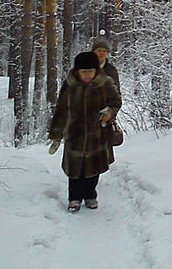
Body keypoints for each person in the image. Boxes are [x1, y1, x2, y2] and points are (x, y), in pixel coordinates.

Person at [48, 51, 121, 212]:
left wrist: (109, 112)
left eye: (90, 71)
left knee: (93, 169)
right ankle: (74, 198)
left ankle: (90, 195)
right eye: (83, 72)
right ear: (77, 71)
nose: (87, 75)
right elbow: (61, 110)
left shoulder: (105, 83)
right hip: (75, 134)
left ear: (96, 70)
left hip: (97, 134)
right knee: (75, 170)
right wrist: (56, 134)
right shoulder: (70, 84)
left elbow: (116, 101)